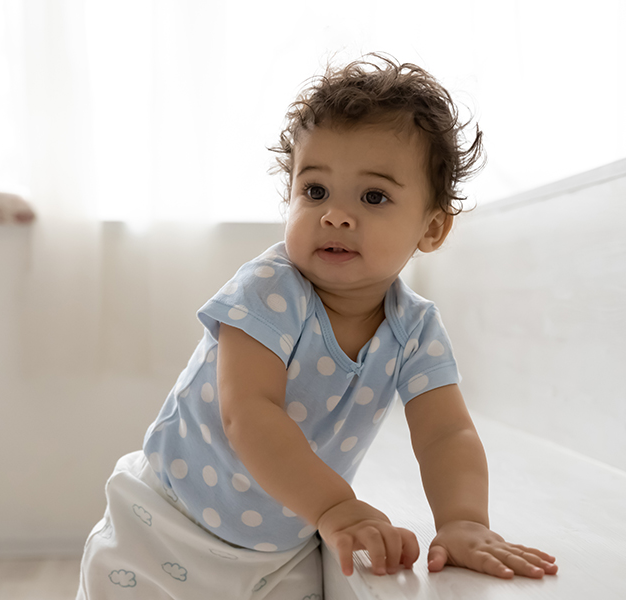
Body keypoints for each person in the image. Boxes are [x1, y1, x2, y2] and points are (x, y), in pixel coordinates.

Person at [76, 51, 558, 599]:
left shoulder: (415, 328)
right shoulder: (269, 289)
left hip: (282, 545)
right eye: (315, 191)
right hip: (165, 526)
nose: (335, 215)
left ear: (432, 228)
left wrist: (463, 519)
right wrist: (335, 506)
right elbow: (248, 412)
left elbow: (446, 433)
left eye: (373, 197)